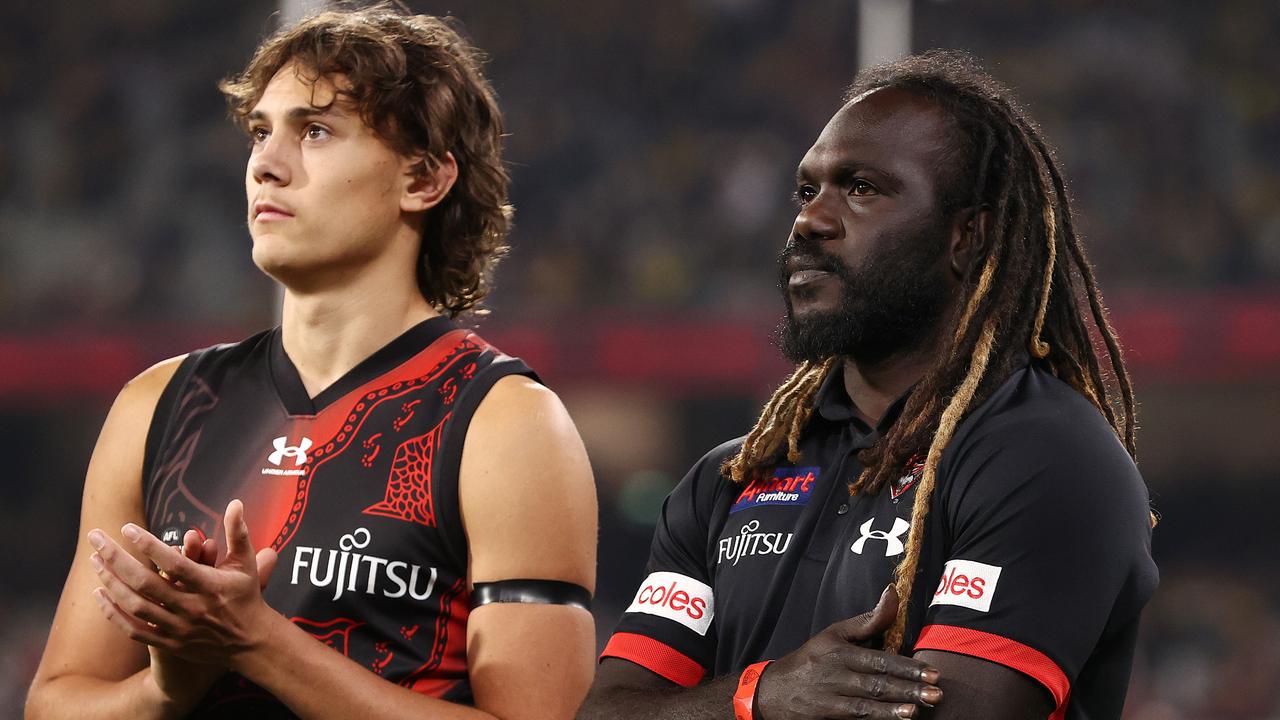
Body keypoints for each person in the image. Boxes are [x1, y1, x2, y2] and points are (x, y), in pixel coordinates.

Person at [25, 7, 597, 720]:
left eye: (316, 131)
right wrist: (170, 687)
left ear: (423, 180)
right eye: (262, 132)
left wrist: (259, 644)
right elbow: (55, 703)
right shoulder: (158, 404)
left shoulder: (506, 423)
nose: (266, 162)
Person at [580, 51, 1158, 720]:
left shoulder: (1045, 458)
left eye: (860, 189)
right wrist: (760, 696)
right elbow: (609, 712)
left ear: (967, 237)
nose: (810, 221)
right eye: (807, 191)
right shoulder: (726, 481)